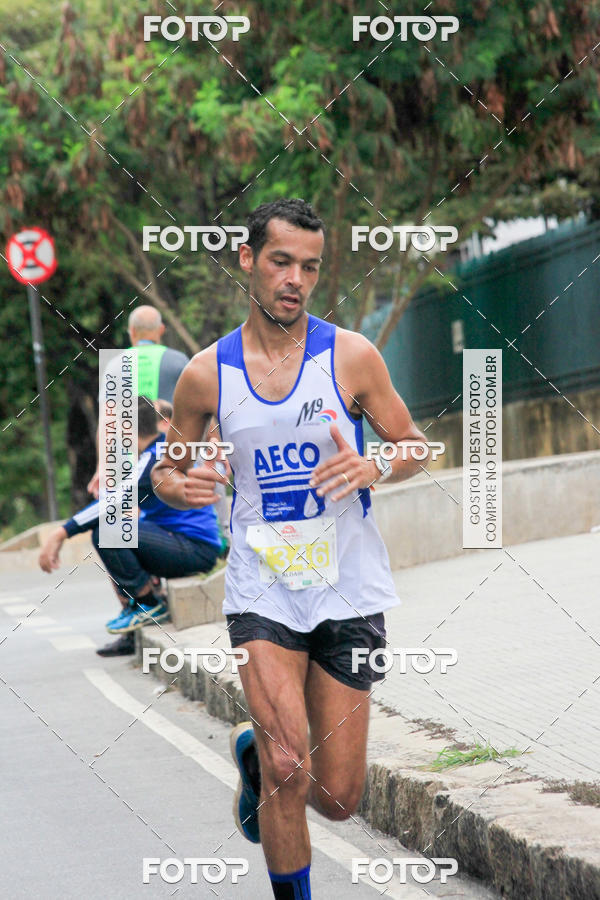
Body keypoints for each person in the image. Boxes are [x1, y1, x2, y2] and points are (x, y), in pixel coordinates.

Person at [151, 198, 428, 899]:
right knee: (288, 767)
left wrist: (375, 465)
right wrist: (181, 484)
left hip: (348, 589)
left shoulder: (352, 357)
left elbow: (415, 445)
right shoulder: (207, 375)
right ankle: (269, 767)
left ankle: (250, 757)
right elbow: (168, 471)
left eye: (309, 267)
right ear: (248, 260)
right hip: (261, 590)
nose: (295, 280)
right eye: (281, 262)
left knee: (336, 798)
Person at [39, 396, 223, 657]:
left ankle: (148, 604)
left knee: (110, 532)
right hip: (188, 544)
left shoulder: (154, 460)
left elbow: (111, 503)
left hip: (193, 549)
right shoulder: (162, 449)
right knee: (118, 535)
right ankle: (135, 613)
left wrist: (61, 532)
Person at [87, 306, 189, 498]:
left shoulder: (115, 365)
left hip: (129, 465)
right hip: (174, 459)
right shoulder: (179, 361)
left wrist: (103, 467)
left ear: (132, 331)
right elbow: (198, 409)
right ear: (161, 330)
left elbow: (107, 420)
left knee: (134, 514)